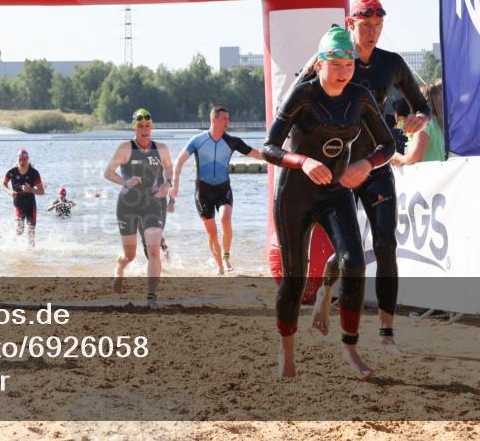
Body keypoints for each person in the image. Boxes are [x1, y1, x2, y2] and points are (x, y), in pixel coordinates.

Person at [262, 26, 395, 379]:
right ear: (320, 64)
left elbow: (388, 144)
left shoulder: (360, 97)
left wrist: (367, 163)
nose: (343, 71)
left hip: (334, 193)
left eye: (349, 64)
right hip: (295, 195)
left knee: (354, 263)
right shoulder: (303, 95)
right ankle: (286, 351)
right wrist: (302, 161)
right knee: (295, 278)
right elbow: (269, 148)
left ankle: (350, 348)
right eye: (336, 64)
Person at [307, 0, 430, 353]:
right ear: (350, 24)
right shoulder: (332, 60)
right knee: (348, 253)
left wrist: (419, 118)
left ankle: (387, 334)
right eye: (366, 26)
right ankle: (326, 291)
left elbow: (421, 106)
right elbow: (298, 99)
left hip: (375, 164)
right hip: (340, 168)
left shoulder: (391, 64)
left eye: (378, 26)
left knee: (386, 244)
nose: (373, 32)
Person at [171, 105, 264, 275]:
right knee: (212, 232)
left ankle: (226, 257)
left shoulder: (232, 141)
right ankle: (219, 266)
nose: (228, 122)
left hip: (223, 189)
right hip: (203, 193)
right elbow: (179, 161)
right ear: (214, 119)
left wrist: (279, 157)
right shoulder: (197, 141)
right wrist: (175, 184)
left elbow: (256, 154)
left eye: (228, 119)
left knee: (225, 219)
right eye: (224, 119)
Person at [104, 108, 173, 304]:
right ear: (134, 128)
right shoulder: (126, 148)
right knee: (130, 255)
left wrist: (168, 184)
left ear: (151, 127)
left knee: (153, 250)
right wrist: (125, 182)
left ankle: (151, 297)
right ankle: (119, 268)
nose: (144, 130)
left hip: (154, 203)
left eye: (147, 126)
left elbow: (169, 167)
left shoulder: (161, 148)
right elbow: (108, 173)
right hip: (128, 205)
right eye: (140, 126)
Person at [392, 80, 447, 165]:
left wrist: (398, 159)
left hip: (426, 172)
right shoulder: (440, 123)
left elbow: (416, 156)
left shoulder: (424, 123)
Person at [2, 149, 45, 247]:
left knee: (31, 233)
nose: (22, 161)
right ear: (18, 159)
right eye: (20, 159)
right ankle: (14, 244)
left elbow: (42, 191)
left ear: (28, 159)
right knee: (19, 231)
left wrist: (31, 190)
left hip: (31, 205)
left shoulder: (34, 173)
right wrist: (9, 191)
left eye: (24, 159)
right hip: (19, 205)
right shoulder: (11, 172)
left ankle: (31, 254)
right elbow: (4, 184)